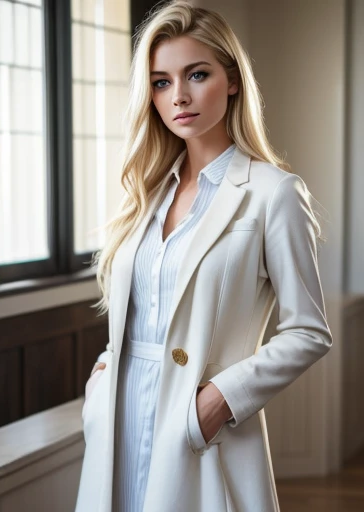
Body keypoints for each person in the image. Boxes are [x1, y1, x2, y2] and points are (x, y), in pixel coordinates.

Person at [75, 1, 333, 511]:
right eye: (161, 82)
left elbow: (308, 331)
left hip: (198, 426)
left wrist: (219, 400)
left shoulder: (272, 192)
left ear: (232, 80)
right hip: (118, 419)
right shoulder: (147, 195)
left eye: (197, 74)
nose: (180, 96)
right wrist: (101, 382)